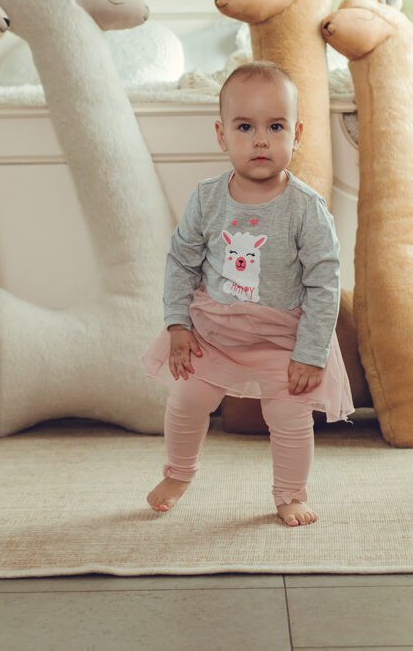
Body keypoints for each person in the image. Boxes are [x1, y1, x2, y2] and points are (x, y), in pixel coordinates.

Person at [143, 61, 353, 527]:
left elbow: (324, 282)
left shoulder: (306, 209)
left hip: (283, 342)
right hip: (214, 334)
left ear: (296, 135)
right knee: (186, 400)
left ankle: (290, 495)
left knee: (290, 418)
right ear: (222, 135)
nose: (261, 139)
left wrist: (311, 351)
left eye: (275, 126)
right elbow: (181, 261)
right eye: (245, 126)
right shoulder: (208, 198)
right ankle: (179, 473)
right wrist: (178, 325)